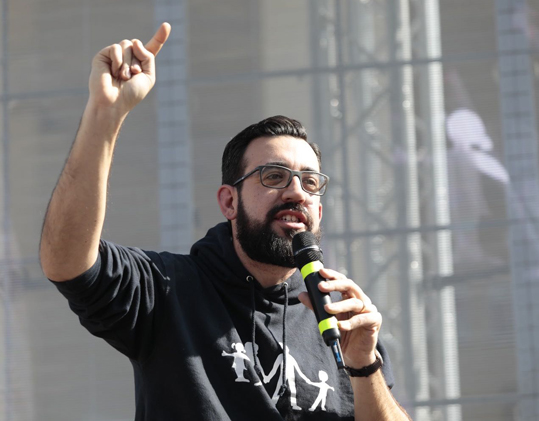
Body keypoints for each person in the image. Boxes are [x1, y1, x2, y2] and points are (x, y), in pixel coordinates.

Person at [39, 22, 411, 420]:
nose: (296, 192)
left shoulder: (339, 318)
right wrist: (104, 116)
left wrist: (364, 365)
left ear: (318, 210)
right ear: (229, 201)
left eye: (310, 182)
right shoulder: (169, 292)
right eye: (273, 176)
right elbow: (66, 259)